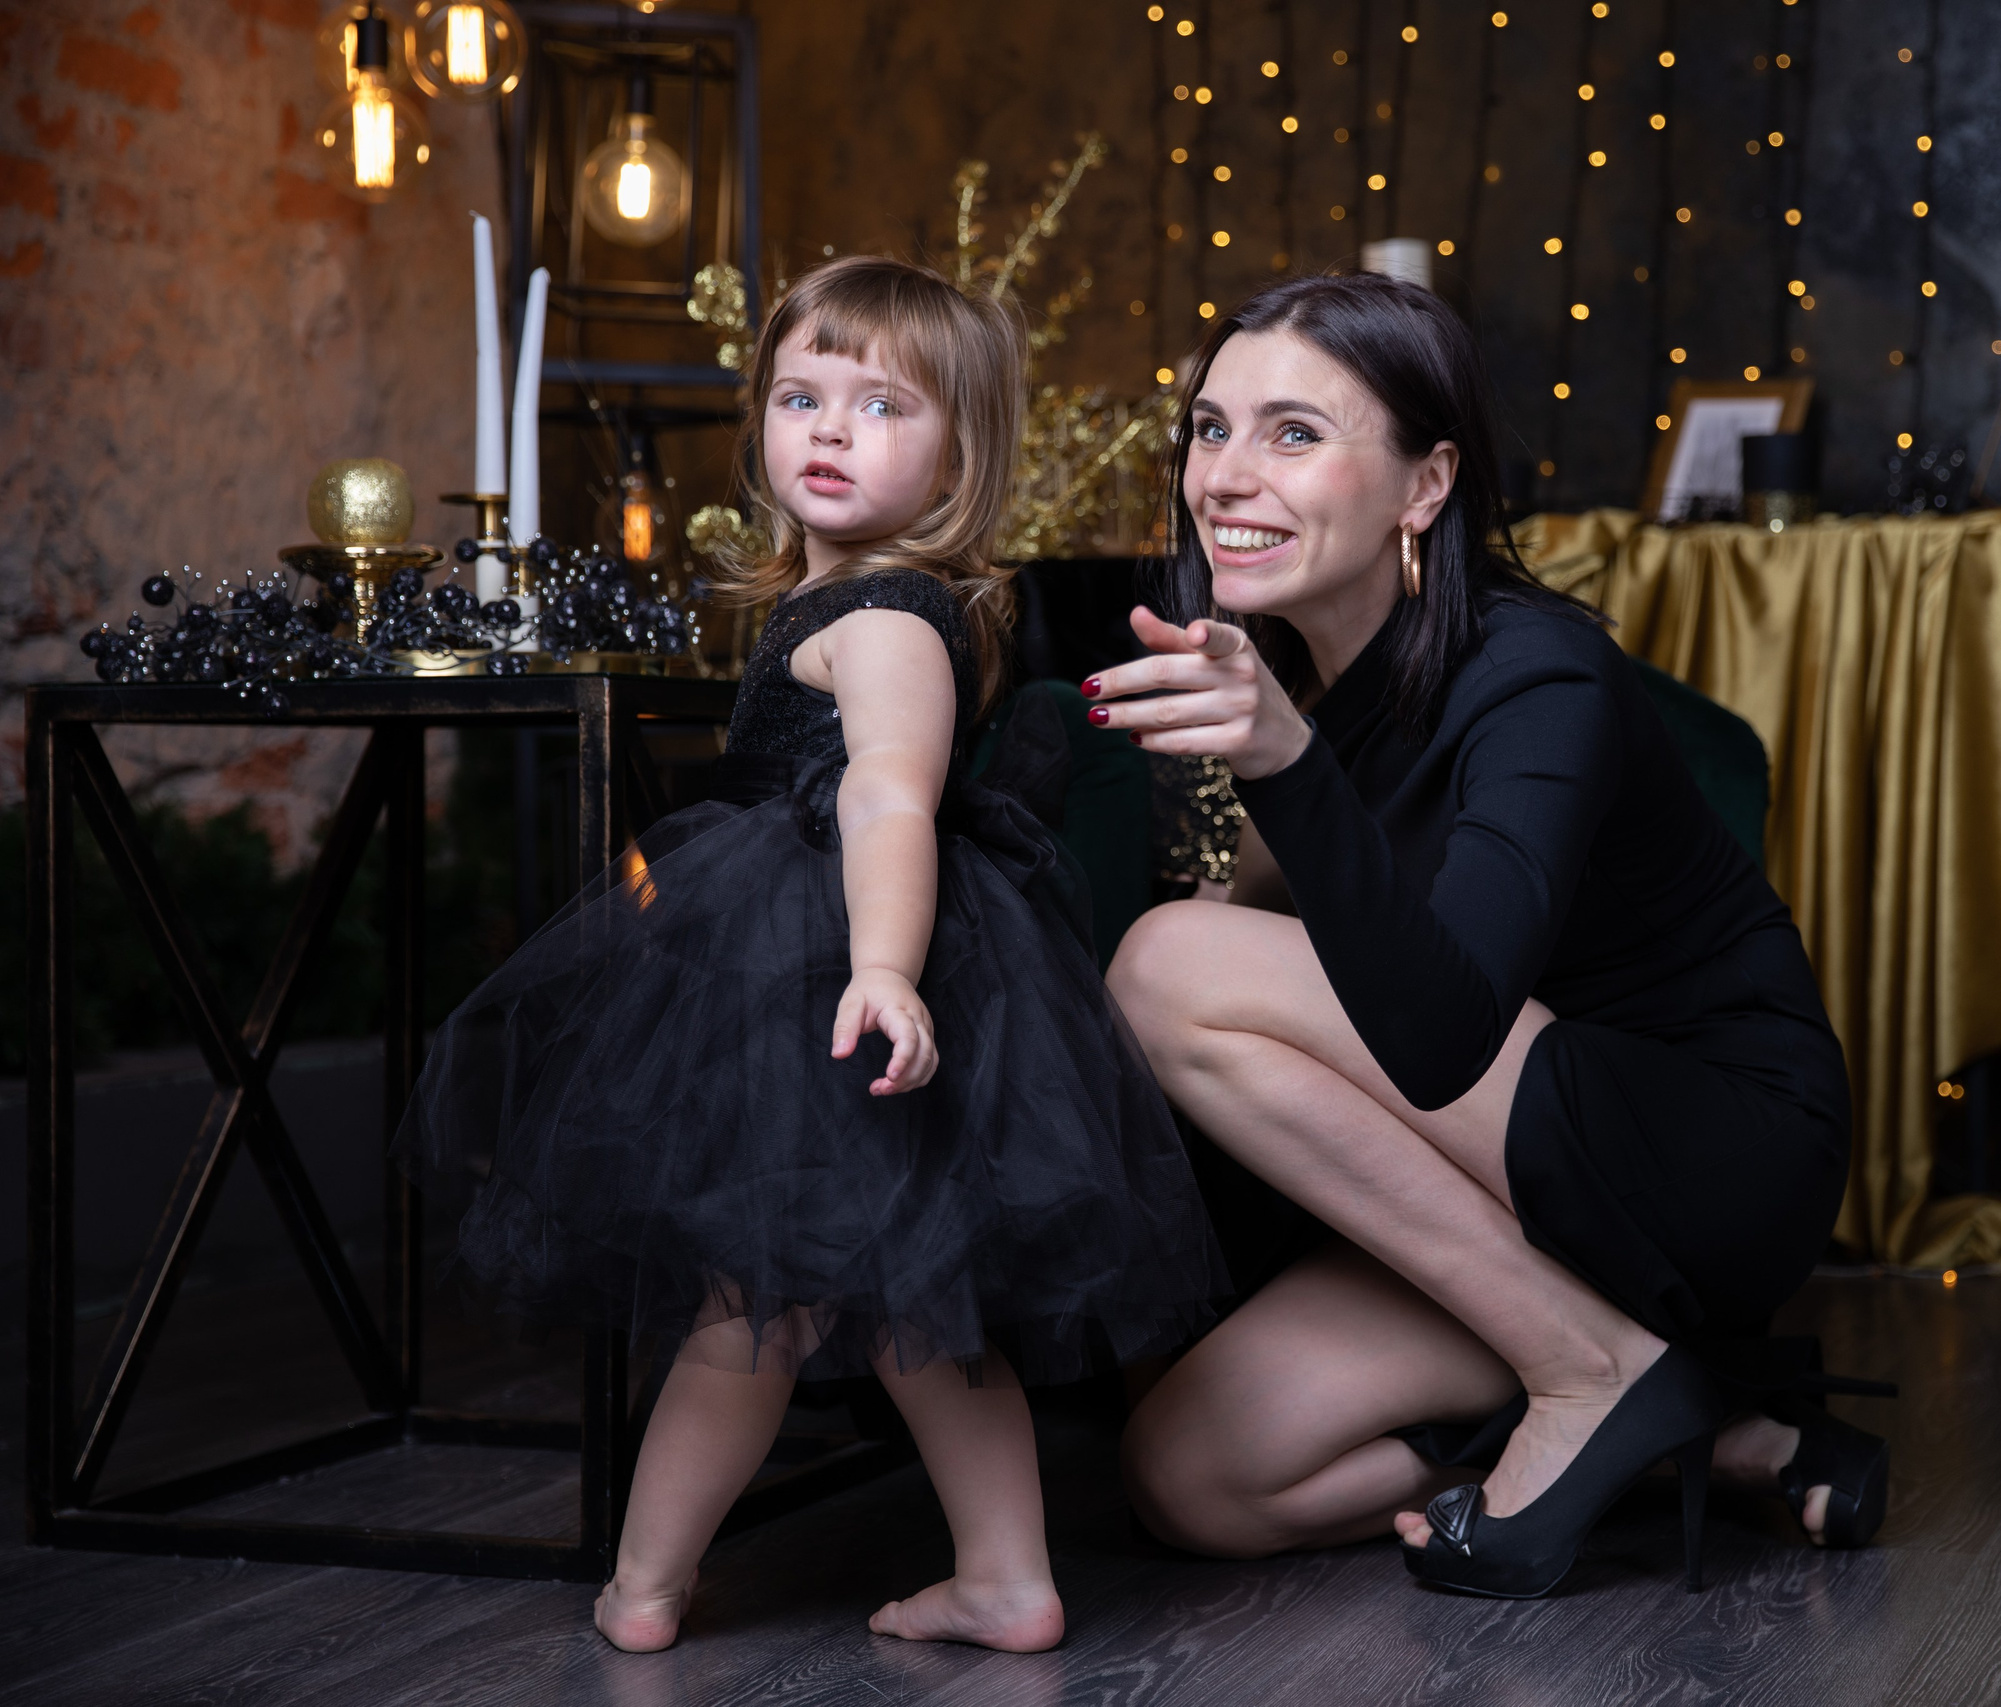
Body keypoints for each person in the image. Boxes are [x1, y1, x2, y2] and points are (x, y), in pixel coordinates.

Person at [399, 256, 1224, 1654]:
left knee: (748, 1307)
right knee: (918, 1309)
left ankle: (645, 1584)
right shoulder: (852, 605)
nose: (830, 431)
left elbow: (886, 794)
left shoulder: (888, 621)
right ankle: (1006, 1576)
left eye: (883, 406)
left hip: (831, 981)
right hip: (827, 973)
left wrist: (885, 967)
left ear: (963, 457)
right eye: (802, 396)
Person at [1090, 272, 1871, 1600]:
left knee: (1164, 963)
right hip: (1517, 1185)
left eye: (1292, 432)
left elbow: (1441, 1031)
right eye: (1209, 430)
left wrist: (1282, 769)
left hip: (1708, 1145)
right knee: (1192, 1476)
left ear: (1426, 484)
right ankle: (1699, 1419)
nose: (1222, 475)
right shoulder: (1307, 685)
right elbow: (1292, 979)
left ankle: (1588, 1375)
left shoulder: (1537, 672)